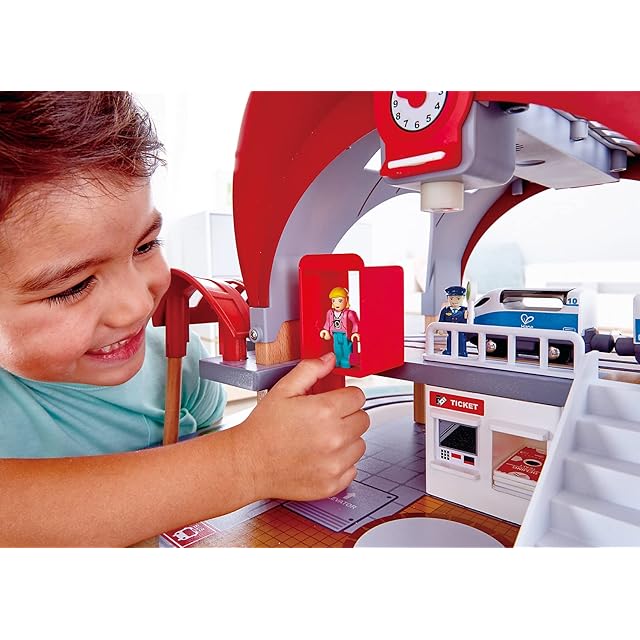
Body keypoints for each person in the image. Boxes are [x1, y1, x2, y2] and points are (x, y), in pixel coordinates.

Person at [0, 92, 369, 547]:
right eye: (73, 287)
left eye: (145, 246)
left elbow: (209, 455)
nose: (138, 307)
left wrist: (270, 452)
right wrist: (247, 463)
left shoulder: (178, 355)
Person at [320, 286, 360, 368]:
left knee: (346, 348)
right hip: (335, 334)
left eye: (340, 300)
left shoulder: (349, 313)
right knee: (337, 348)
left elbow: (355, 323)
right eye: (334, 300)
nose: (336, 303)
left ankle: (346, 360)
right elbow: (327, 322)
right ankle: (338, 360)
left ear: (346, 300)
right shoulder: (330, 313)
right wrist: (325, 330)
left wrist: (355, 333)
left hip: (345, 335)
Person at [437, 285, 468, 356]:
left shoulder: (465, 310)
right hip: (450, 331)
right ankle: (449, 351)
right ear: (448, 298)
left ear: (463, 298)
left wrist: (468, 314)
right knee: (450, 340)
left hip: (461, 331)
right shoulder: (445, 310)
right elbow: (441, 320)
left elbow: (470, 318)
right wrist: (440, 328)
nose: (454, 301)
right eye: (451, 298)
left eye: (458, 298)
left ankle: (461, 352)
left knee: (461, 340)